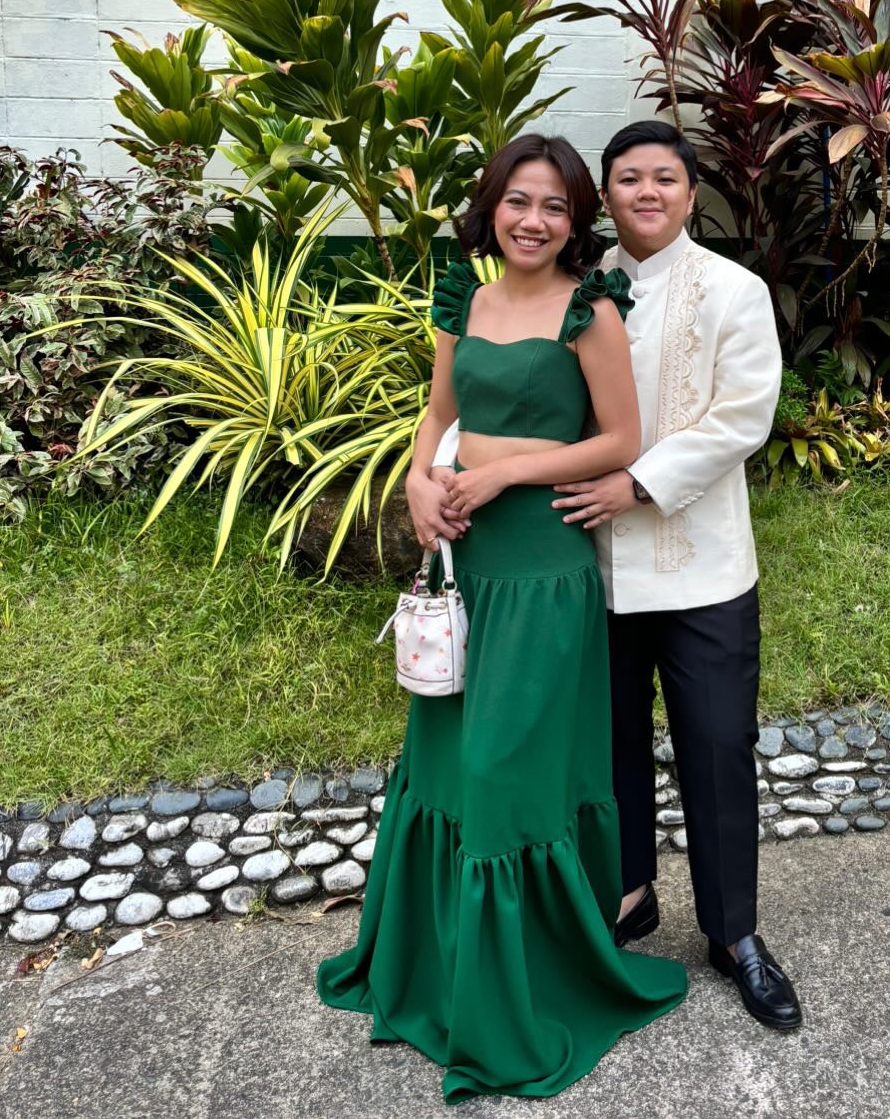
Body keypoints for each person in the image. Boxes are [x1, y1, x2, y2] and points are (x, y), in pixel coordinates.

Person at [318, 133, 688, 1102]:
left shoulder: (589, 307)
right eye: (519, 201)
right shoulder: (463, 298)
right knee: (445, 762)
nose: (534, 220)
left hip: (542, 571)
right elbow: (436, 413)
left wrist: (507, 470)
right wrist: (415, 482)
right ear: (492, 207)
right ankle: (436, 976)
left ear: (577, 222)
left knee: (504, 770)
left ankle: (517, 994)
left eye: (556, 206)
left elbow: (620, 438)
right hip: (465, 564)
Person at [418, 119, 797, 1031]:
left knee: (714, 748)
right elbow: (503, 399)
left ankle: (734, 934)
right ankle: (625, 898)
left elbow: (742, 419)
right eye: (628, 179)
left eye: (663, 178)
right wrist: (433, 470)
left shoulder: (732, 291)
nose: (646, 194)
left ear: (689, 191)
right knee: (603, 744)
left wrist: (636, 481)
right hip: (583, 568)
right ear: (610, 197)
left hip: (696, 567)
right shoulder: (574, 289)